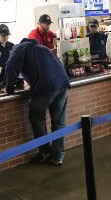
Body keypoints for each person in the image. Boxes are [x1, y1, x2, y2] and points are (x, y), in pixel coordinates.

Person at [5, 38, 70, 166]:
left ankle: (44, 151)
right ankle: (58, 156)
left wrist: (9, 88)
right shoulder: (44, 48)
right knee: (59, 122)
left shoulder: (21, 47)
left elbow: (10, 66)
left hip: (45, 87)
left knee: (37, 118)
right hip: (62, 84)